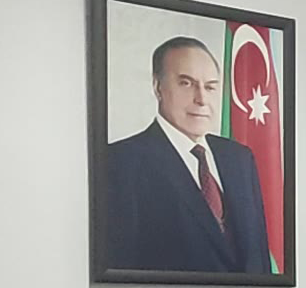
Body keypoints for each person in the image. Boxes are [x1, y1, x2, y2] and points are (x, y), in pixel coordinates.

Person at [106, 37, 272, 274]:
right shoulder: (120, 162)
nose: (201, 99)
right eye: (186, 83)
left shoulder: (240, 159)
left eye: (210, 87)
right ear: (158, 87)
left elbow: (259, 259)